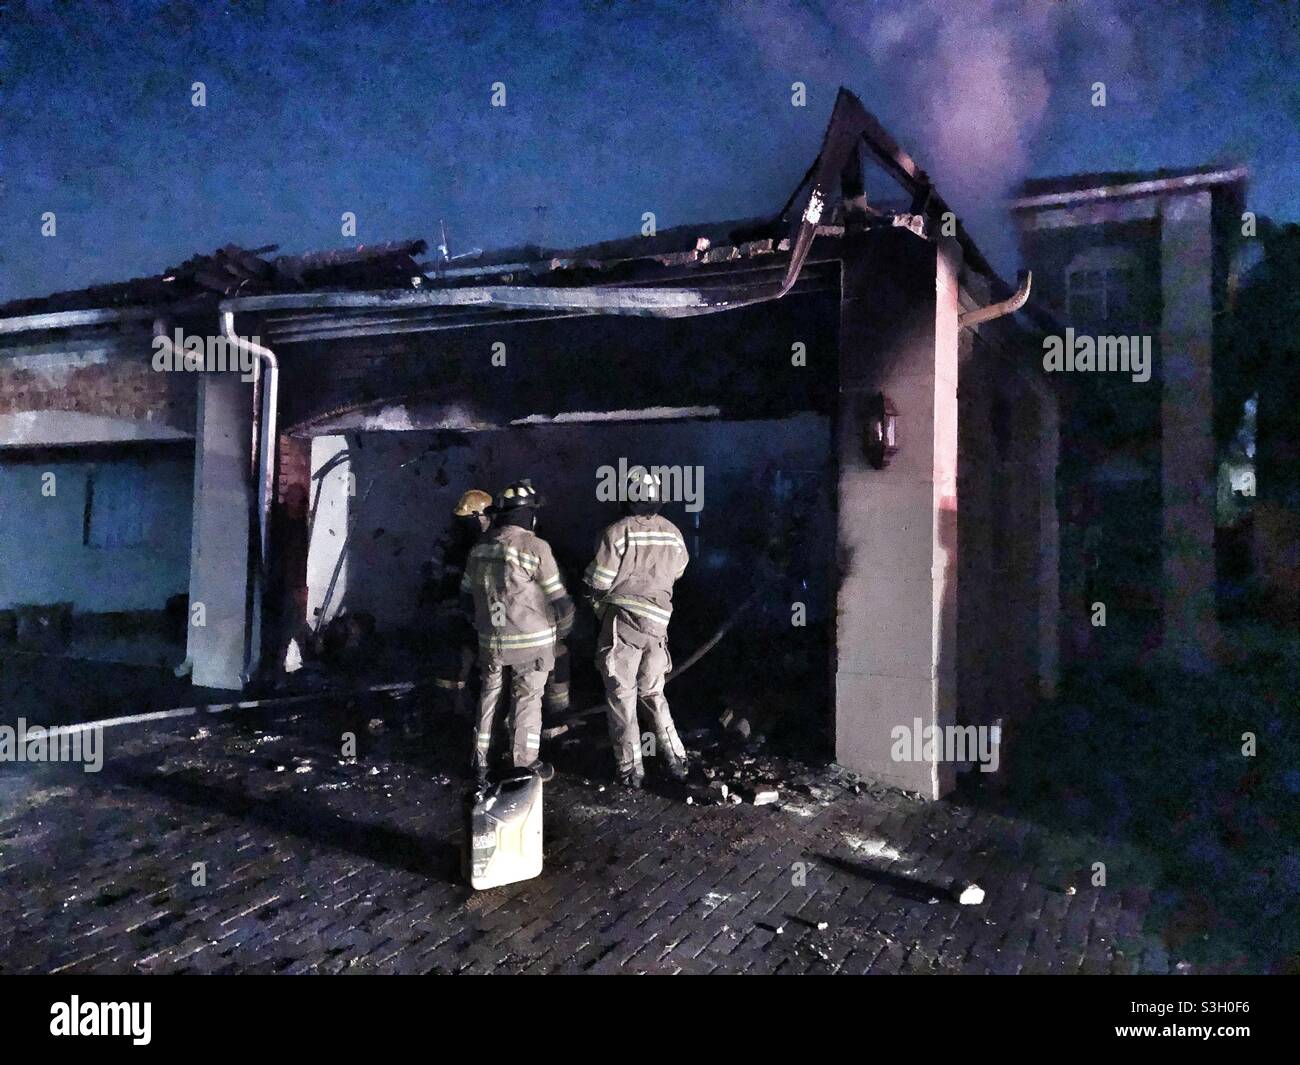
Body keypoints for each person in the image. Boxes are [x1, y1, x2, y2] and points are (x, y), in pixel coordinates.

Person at [460, 479, 573, 791]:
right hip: (532, 643)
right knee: (527, 700)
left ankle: (480, 762)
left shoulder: (480, 548)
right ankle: (523, 764)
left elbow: (465, 597)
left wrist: (484, 626)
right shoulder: (536, 547)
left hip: (492, 642)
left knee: (489, 697)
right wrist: (562, 631)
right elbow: (559, 599)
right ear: (529, 515)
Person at [584, 466, 689, 788]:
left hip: (623, 624)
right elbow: (679, 571)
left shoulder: (617, 532)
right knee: (654, 692)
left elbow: (598, 581)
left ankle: (631, 771)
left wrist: (596, 599)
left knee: (622, 696)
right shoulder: (673, 533)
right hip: (658, 626)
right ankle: (677, 760)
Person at [422, 489, 492, 717]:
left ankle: (450, 711)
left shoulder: (447, 539)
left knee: (455, 665)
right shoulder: (482, 542)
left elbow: (433, 575)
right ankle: (460, 710)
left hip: (451, 611)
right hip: (466, 613)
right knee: (465, 661)